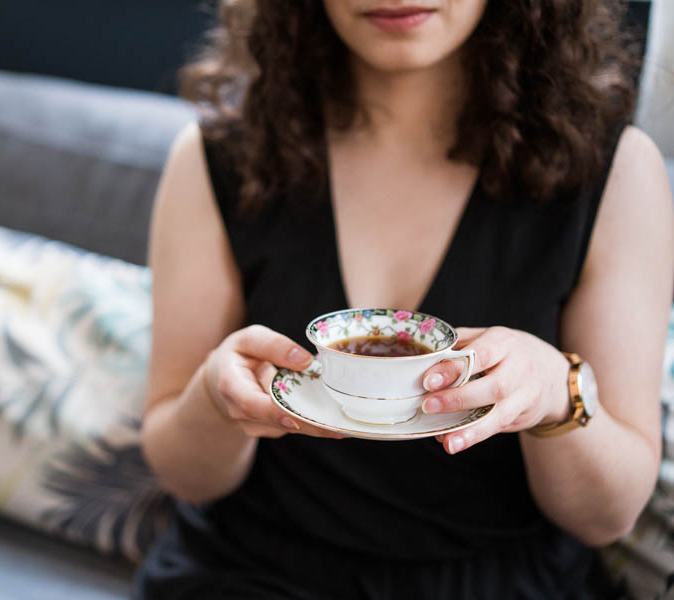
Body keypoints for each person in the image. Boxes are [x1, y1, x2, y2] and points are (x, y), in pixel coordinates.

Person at [133, 0, 674, 597]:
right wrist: (214, 398)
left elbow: (606, 518)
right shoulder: (220, 155)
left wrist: (554, 394)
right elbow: (184, 475)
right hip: (248, 572)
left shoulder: (616, 172)